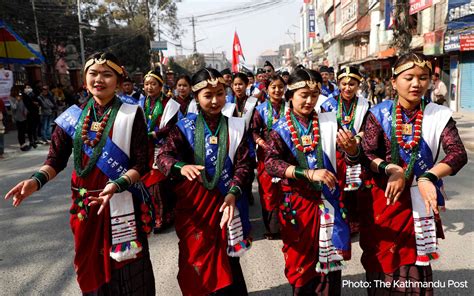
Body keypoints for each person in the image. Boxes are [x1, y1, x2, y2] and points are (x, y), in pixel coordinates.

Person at [5, 52, 156, 294]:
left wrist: (117, 184)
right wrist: (36, 181)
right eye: (93, 74)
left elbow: (142, 164)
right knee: (90, 269)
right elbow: (56, 159)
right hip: (86, 207)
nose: (99, 79)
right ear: (84, 79)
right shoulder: (72, 117)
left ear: (118, 80)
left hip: (121, 202)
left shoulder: (131, 114)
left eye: (107, 75)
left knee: (128, 270)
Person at [359, 52, 467, 295]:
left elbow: (458, 153)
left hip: (420, 200)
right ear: (394, 80)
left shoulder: (438, 115)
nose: (416, 84)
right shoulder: (379, 113)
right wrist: (391, 170)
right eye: (409, 77)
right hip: (385, 200)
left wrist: (429, 176)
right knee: (384, 261)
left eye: (423, 77)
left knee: (417, 263)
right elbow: (366, 154)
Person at [156, 68, 252, 295]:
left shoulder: (236, 126)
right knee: (196, 257)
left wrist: (232, 193)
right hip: (195, 208)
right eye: (208, 95)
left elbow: (244, 165)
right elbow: (163, 157)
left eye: (219, 93)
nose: (215, 100)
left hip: (227, 202)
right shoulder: (183, 128)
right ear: (196, 97)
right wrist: (182, 167)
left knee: (228, 259)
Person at [265, 69, 354, 294]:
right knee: (301, 263)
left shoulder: (329, 122)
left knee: (330, 261)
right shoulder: (280, 129)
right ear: (290, 95)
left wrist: (352, 150)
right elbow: (271, 163)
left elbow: (350, 155)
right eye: (303, 94)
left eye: (314, 95)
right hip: (298, 203)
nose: (309, 100)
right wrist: (307, 173)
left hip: (329, 200)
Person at [319, 66, 370, 233]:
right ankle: (339, 224)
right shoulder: (328, 105)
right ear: (338, 83)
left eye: (352, 84)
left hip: (356, 151)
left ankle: (355, 225)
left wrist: (355, 140)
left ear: (358, 85)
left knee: (356, 189)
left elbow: (367, 127)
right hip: (336, 153)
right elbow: (324, 130)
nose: (348, 88)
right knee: (338, 187)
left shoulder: (365, 105)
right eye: (344, 83)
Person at [141, 68, 181, 232]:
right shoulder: (143, 102)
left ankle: (163, 218)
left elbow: (171, 127)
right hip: (147, 147)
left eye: (153, 84)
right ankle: (153, 216)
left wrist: (153, 134)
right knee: (147, 183)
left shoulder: (169, 104)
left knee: (159, 184)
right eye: (146, 84)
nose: (149, 87)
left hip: (162, 146)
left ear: (161, 85)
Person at [250, 74, 287, 240]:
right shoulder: (260, 110)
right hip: (266, 155)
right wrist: (261, 141)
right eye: (274, 87)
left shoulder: (291, 107)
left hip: (287, 154)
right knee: (269, 192)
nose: (277, 90)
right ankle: (273, 228)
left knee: (286, 190)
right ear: (267, 89)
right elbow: (253, 130)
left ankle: (288, 225)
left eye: (280, 87)